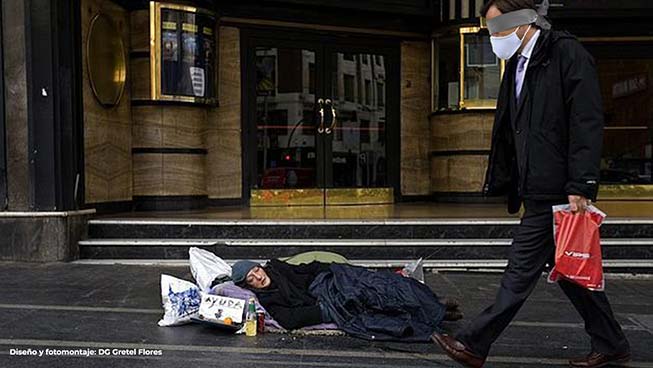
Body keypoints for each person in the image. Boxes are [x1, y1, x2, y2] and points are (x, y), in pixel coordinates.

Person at [432, 1, 631, 367]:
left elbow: (585, 123)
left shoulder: (565, 54)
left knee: (519, 273)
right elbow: (515, 129)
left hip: (557, 190)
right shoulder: (519, 65)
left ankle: (474, 344)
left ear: (524, 21)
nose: (494, 37)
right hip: (535, 185)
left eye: (499, 27)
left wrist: (581, 184)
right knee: (570, 272)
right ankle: (612, 343)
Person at [231, 259, 463, 341]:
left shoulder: (278, 267)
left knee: (377, 284)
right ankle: (436, 312)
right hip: (324, 301)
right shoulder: (269, 300)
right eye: (251, 278)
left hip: (327, 281)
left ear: (260, 267)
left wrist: (336, 271)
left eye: (255, 271)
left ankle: (436, 305)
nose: (258, 277)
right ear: (248, 285)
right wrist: (324, 309)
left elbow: (308, 267)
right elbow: (290, 320)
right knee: (366, 308)